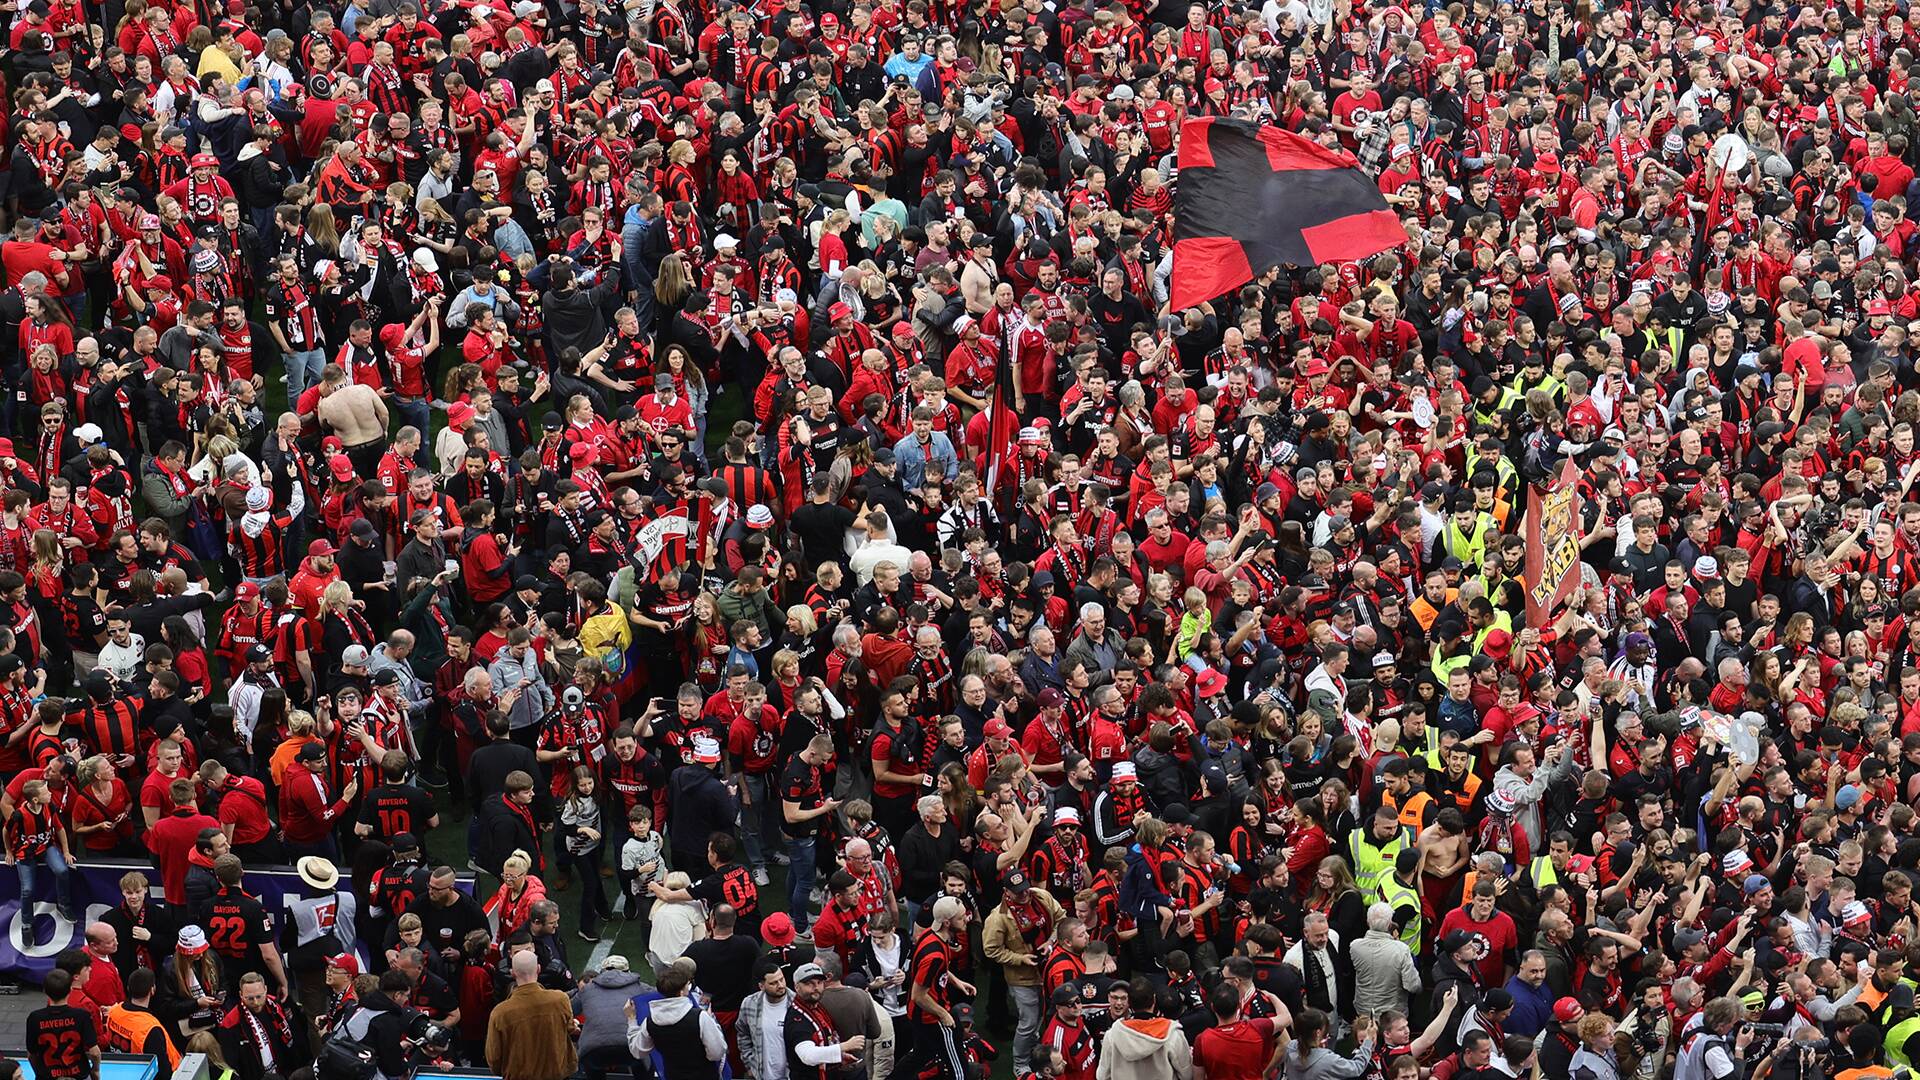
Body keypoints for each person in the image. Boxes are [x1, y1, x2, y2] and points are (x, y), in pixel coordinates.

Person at [486, 950, 580, 1080]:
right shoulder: (560, 999)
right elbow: (570, 1028)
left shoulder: (500, 1013)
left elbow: (494, 1058)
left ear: (512, 973)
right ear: (539, 969)